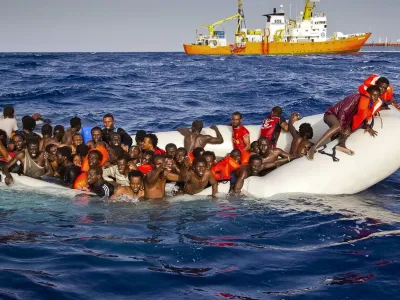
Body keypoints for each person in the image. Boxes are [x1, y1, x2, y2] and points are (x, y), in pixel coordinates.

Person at [307, 85, 381, 160]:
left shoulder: (368, 104)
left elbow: (362, 117)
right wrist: (342, 127)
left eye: (377, 96)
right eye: (374, 95)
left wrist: (367, 126)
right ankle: (313, 148)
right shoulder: (355, 97)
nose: (375, 98)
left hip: (343, 120)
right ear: (368, 93)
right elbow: (342, 111)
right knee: (337, 126)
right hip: (331, 114)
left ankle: (341, 144)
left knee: (348, 129)